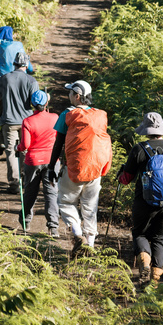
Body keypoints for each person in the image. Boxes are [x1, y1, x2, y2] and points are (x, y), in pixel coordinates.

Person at [118, 111, 163, 283]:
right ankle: (155, 280)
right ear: (162, 129)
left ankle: (144, 261)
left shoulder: (139, 149)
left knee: (140, 234)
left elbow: (126, 179)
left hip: (143, 202)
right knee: (160, 239)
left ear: (145, 131)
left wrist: (121, 174)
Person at [49, 80, 112, 254]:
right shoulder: (100, 115)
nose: (68, 95)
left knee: (66, 202)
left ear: (77, 96)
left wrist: (50, 167)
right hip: (95, 169)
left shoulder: (68, 114)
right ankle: (90, 245)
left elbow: (58, 143)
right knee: (90, 207)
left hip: (74, 167)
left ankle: (78, 235)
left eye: (70, 92)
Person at [0, 52, 38, 194]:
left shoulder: (5, 79)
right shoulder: (32, 81)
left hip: (9, 120)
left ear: (14, 63)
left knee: (11, 151)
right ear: (26, 64)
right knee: (25, 149)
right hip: (27, 121)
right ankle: (25, 180)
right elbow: (36, 102)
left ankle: (14, 183)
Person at [18, 90, 59, 237]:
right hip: (51, 160)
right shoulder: (55, 118)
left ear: (32, 105)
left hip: (33, 161)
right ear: (47, 103)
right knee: (51, 193)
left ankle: (25, 221)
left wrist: (17, 148)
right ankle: (53, 227)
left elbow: (25, 145)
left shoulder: (27, 121)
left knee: (30, 192)